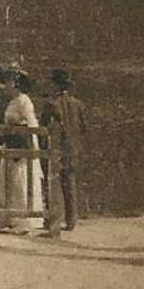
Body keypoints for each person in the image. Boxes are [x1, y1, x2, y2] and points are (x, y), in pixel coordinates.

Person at [0, 65, 44, 233]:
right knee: (4, 183)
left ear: (14, 84)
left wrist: (18, 129)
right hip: (10, 145)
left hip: (22, 149)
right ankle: (8, 217)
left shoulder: (24, 101)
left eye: (7, 82)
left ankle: (23, 221)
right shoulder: (13, 101)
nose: (4, 85)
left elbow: (32, 126)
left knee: (20, 183)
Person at [40, 69, 86, 232]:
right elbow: (83, 128)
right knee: (70, 184)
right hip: (73, 149)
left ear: (56, 85)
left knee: (53, 184)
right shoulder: (78, 104)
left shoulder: (52, 105)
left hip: (56, 149)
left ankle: (54, 220)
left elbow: (43, 127)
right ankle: (71, 220)